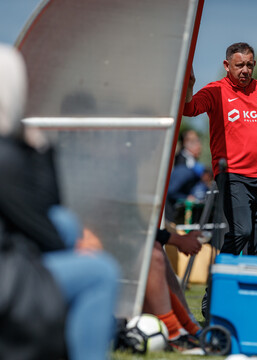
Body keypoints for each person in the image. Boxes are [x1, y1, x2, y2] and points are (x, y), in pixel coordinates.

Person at [0, 44, 120, 360]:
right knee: (100, 272)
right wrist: (39, 147)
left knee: (65, 223)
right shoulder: (5, 157)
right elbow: (44, 227)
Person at [183, 42, 257, 257]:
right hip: (234, 177)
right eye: (240, 65)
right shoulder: (215, 91)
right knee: (241, 232)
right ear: (227, 65)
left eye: (249, 65)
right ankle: (216, 288)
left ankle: (250, 289)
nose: (245, 70)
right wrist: (189, 86)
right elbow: (189, 109)